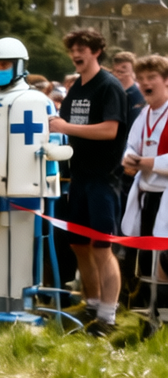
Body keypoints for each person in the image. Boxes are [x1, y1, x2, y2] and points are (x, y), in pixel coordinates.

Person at [50, 28, 128, 336]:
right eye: (72, 49)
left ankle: (108, 318)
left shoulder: (109, 86)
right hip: (78, 178)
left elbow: (110, 130)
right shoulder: (76, 89)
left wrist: (65, 125)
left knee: (101, 248)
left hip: (103, 180)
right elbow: (67, 129)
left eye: (82, 48)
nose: (76, 54)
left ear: (96, 51)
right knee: (78, 244)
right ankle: (92, 304)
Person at [120, 55, 168, 286]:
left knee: (164, 259)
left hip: (165, 194)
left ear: (166, 80)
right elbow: (131, 146)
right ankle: (151, 313)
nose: (145, 83)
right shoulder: (144, 114)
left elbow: (145, 158)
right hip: (146, 194)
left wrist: (143, 162)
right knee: (146, 257)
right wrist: (129, 159)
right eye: (140, 79)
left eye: (151, 77)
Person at [112, 50, 147, 126]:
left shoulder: (139, 93)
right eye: (116, 70)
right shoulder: (112, 92)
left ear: (133, 71)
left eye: (123, 70)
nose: (118, 73)